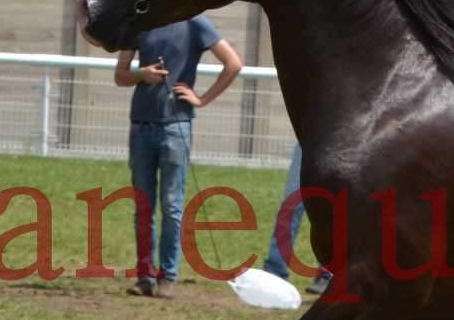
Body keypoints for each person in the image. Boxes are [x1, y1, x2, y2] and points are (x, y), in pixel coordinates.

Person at [115, 16, 242, 297]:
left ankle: (167, 276)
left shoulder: (195, 23)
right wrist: (141, 74)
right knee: (144, 207)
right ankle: (144, 276)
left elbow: (233, 63)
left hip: (175, 128)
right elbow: (119, 75)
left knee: (171, 205)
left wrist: (202, 99)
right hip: (140, 126)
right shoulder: (139, 25)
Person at [262, 143, 332, 295]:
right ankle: (275, 271)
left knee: (326, 209)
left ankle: (327, 275)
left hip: (341, 140)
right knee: (291, 205)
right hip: (307, 141)